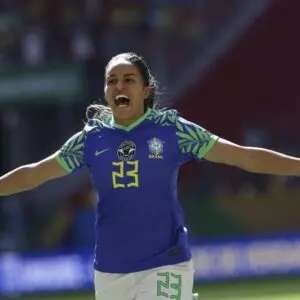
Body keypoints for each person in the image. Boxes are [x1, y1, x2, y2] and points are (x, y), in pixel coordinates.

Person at [1, 52, 300, 300]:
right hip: (110, 269)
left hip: (165, 261)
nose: (119, 86)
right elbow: (34, 174)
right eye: (112, 81)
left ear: (145, 90)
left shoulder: (174, 130)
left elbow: (244, 157)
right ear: (105, 92)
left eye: (129, 80)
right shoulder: (90, 139)